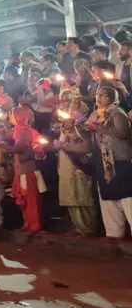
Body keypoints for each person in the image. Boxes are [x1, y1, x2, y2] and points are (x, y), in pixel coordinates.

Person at [84, 85, 132, 238]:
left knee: (127, 199)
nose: (99, 97)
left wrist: (97, 128)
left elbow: (122, 133)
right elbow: (91, 139)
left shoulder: (117, 113)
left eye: (104, 95)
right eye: (98, 94)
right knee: (108, 201)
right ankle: (114, 235)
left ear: (112, 98)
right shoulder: (94, 114)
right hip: (104, 163)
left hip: (120, 161)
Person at [52, 100, 98, 236]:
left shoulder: (84, 125)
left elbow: (85, 143)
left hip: (79, 164)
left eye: (75, 108)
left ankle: (89, 227)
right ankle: (78, 226)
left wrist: (67, 142)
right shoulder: (65, 125)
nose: (71, 110)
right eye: (70, 108)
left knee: (83, 196)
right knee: (71, 196)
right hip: (66, 164)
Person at [0, 105, 46, 233]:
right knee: (23, 199)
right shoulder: (18, 130)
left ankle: (34, 225)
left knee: (30, 199)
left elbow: (18, 148)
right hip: (21, 170)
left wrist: (1, 145)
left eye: (12, 115)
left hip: (27, 170)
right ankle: (27, 223)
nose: (10, 118)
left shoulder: (24, 131)